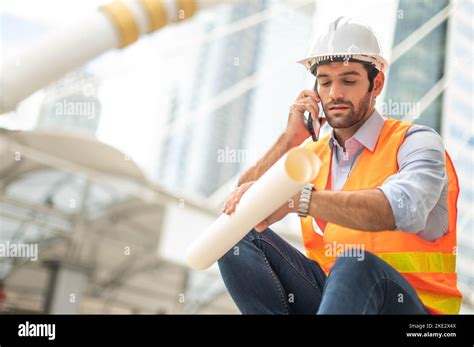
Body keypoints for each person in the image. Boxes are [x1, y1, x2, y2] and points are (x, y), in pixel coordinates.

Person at [218, 17, 462, 314]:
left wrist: (302, 199)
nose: (334, 93)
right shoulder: (310, 157)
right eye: (325, 82)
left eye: (348, 80)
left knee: (355, 263)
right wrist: (288, 140)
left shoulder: (415, 142)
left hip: (417, 316)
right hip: (338, 305)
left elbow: (404, 208)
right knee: (237, 236)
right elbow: (239, 206)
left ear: (377, 84)